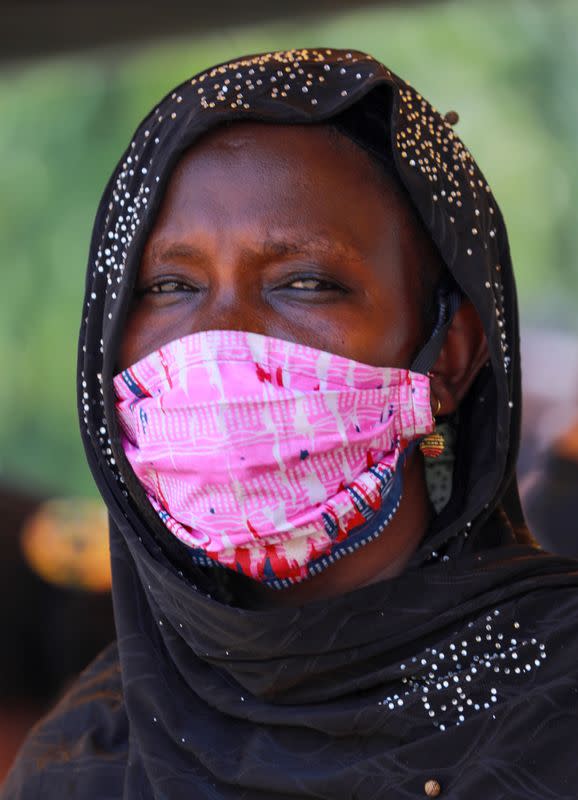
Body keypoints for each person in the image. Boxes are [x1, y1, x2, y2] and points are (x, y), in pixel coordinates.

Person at [3, 47, 578, 799]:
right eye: (169, 286)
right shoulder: (86, 761)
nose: (220, 339)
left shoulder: (558, 701)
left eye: (305, 283)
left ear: (448, 358)